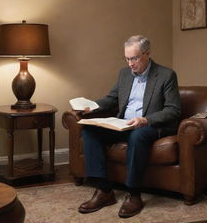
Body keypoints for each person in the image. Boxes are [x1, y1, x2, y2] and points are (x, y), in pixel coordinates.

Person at [77, 35, 181, 218]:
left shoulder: (166, 75)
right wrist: (92, 106)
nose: (130, 63)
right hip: (123, 124)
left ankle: (134, 194)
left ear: (147, 54)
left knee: (138, 135)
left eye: (134, 58)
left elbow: (173, 110)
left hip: (149, 125)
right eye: (127, 58)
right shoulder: (124, 74)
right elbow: (112, 99)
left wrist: (145, 120)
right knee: (90, 131)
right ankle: (104, 190)